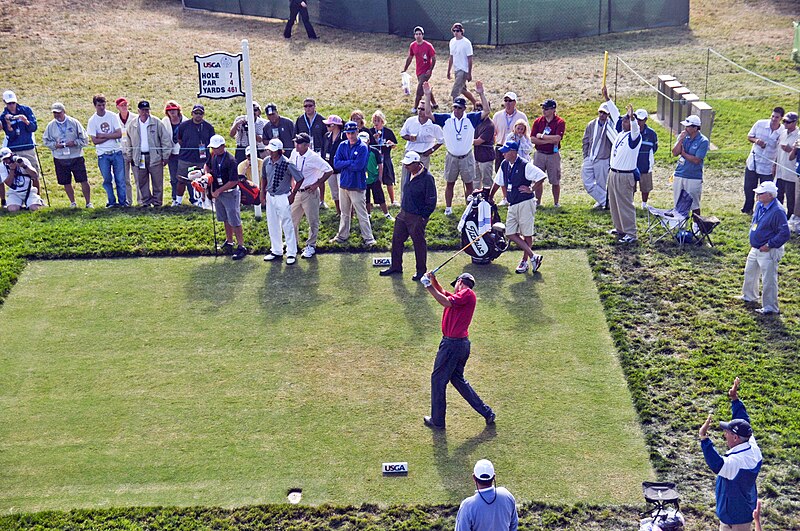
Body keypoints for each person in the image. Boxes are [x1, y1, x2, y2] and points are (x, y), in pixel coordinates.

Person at [419, 271, 495, 429]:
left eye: (456, 285)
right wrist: (433, 280)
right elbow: (442, 293)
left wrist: (427, 286)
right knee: (457, 380)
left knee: (438, 380)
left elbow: (445, 301)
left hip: (452, 345)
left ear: (460, 281)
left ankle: (437, 421)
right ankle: (487, 413)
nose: (454, 289)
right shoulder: (461, 297)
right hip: (458, 345)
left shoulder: (467, 293)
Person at [699, 377, 762, 531]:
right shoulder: (752, 447)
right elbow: (743, 421)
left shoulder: (735, 463)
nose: (724, 435)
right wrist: (735, 399)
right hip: (743, 511)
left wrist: (704, 438)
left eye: (726, 432)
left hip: (735, 520)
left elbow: (716, 464)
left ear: (735, 438)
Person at [424, 80, 490, 215]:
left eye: (459, 108)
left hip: (466, 156)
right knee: (450, 183)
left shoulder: (471, 118)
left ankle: (470, 208)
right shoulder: (446, 118)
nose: (457, 110)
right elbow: (428, 114)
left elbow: (486, 111)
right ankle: (448, 208)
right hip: (451, 157)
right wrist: (427, 95)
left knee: (469, 184)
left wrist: (481, 94)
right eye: (455, 107)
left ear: (464, 108)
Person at [489, 140, 546, 274]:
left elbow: (541, 176)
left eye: (505, 152)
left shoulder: (524, 165)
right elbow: (498, 181)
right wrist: (490, 197)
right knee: (510, 233)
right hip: (513, 204)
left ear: (513, 152)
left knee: (526, 234)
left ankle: (525, 261)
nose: (503, 154)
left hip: (526, 203)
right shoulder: (504, 164)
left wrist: (531, 189)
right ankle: (533, 256)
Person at [380, 151, 436, 280]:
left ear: (417, 163)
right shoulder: (408, 173)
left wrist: (423, 217)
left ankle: (421, 271)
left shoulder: (427, 178)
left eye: (409, 164)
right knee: (396, 240)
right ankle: (396, 267)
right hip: (403, 213)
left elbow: (431, 200)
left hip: (417, 216)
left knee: (418, 243)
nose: (406, 167)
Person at [740, 181, 790, 315]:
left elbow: (785, 233)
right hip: (756, 247)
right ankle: (749, 296)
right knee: (750, 272)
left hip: (768, 250)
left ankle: (770, 307)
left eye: (760, 194)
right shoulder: (760, 205)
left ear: (770, 195)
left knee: (768, 279)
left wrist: (769, 245)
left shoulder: (778, 211)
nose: (757, 195)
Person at [329, 121, 376, 246]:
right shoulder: (342, 145)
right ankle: (342, 235)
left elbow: (359, 166)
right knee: (344, 213)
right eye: (348, 133)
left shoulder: (362, 147)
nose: (350, 135)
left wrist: (345, 163)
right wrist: (350, 162)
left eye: (352, 133)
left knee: (362, 213)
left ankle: (369, 238)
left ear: (357, 132)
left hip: (357, 185)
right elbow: (336, 164)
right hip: (344, 184)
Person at [289, 132, 333, 259]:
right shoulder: (294, 153)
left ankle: (311, 245)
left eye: (298, 143)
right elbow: (291, 169)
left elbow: (329, 170)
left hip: (310, 192)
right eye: (295, 142)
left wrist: (317, 184)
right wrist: (292, 185)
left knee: (312, 221)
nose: (296, 145)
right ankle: (294, 243)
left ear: (306, 145)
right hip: (297, 192)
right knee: (292, 219)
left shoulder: (313, 157)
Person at [261, 138, 305, 264]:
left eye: (273, 150)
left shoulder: (287, 163)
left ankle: (291, 253)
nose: (270, 152)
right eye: (270, 150)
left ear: (280, 151)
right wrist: (262, 193)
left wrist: (293, 194)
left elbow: (300, 178)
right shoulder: (266, 162)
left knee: (287, 224)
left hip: (283, 196)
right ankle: (276, 250)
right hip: (270, 196)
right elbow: (264, 177)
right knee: (272, 223)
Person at [42, 102, 91, 208]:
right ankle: (72, 202)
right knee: (66, 181)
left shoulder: (74, 122)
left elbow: (85, 139)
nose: (57, 115)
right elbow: (45, 141)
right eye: (54, 113)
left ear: (64, 112)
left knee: (83, 180)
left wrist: (75, 143)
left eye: (58, 113)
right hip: (60, 158)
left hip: (76, 156)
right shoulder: (50, 126)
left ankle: (88, 202)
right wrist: (55, 145)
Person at [206, 134, 247, 260]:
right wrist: (206, 175)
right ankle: (229, 241)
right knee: (225, 218)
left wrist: (218, 190)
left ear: (223, 146)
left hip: (230, 193)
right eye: (213, 147)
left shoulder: (230, 160)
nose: (214, 150)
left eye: (217, 147)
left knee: (234, 220)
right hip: (219, 192)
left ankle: (241, 246)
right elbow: (207, 166)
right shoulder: (213, 155)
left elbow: (234, 181)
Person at [125, 100, 172, 207]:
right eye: (143, 110)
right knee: (142, 181)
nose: (145, 112)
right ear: (138, 111)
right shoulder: (133, 124)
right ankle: (145, 202)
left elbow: (165, 140)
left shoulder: (156, 122)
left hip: (155, 157)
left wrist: (165, 156)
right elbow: (128, 142)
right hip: (139, 157)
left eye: (147, 110)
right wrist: (130, 155)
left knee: (157, 182)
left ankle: (157, 202)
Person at [607, 103, 641, 244]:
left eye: (626, 120)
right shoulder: (621, 134)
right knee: (614, 202)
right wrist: (608, 99)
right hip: (614, 172)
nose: (623, 122)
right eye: (623, 120)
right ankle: (620, 228)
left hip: (625, 175)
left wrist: (632, 118)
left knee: (625, 204)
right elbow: (615, 115)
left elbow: (635, 129)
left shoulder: (634, 137)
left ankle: (631, 233)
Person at [455, 459, 518, 531]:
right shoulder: (507, 496)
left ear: (474, 478)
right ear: (494, 477)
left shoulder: (467, 506)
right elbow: (513, 525)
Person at [86, 94, 126, 208]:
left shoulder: (112, 116)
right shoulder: (92, 120)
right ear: (95, 106)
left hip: (116, 151)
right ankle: (111, 201)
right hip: (103, 154)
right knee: (107, 179)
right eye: (99, 105)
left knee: (120, 179)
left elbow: (119, 134)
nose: (102, 107)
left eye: (103, 105)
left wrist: (103, 135)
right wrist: (110, 136)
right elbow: (95, 140)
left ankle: (123, 202)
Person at [742, 107, 783, 215]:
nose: (774, 119)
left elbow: (780, 150)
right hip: (754, 162)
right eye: (772, 116)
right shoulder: (760, 124)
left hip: (768, 165)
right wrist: (756, 141)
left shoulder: (782, 131)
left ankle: (764, 210)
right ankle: (748, 208)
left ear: (781, 119)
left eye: (777, 117)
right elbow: (749, 136)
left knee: (766, 189)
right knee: (749, 187)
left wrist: (775, 166)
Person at [1, 90, 39, 207]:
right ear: (5, 103)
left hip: (27, 147)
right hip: (13, 149)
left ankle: (37, 198)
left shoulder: (26, 110)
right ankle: (14, 199)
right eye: (9, 103)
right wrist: (8, 124)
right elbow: (11, 136)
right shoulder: (3, 116)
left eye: (13, 102)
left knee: (34, 172)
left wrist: (25, 121)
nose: (12, 105)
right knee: (14, 172)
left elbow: (33, 128)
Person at [581, 90, 618, 209]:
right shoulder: (591, 124)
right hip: (590, 157)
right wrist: (585, 155)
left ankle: (601, 202)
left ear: (608, 115)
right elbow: (585, 140)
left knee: (601, 183)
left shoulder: (611, 126)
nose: (602, 115)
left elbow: (614, 142)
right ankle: (605, 201)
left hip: (603, 159)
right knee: (587, 183)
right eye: (600, 112)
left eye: (605, 113)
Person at [176, 103, 215, 206]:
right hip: (185, 158)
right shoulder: (183, 126)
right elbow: (179, 139)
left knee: (202, 181)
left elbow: (212, 142)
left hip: (202, 159)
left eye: (200, 113)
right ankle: (178, 201)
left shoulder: (209, 127)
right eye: (196, 113)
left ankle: (201, 201)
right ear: (191, 113)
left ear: (203, 114)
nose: (198, 115)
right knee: (181, 180)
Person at [399, 106, 444, 192]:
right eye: (419, 108)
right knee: (405, 179)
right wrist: (409, 138)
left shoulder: (434, 125)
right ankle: (404, 202)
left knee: (421, 180)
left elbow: (441, 140)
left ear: (428, 110)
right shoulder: (410, 121)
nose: (420, 111)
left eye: (423, 109)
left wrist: (431, 150)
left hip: (423, 155)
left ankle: (420, 202)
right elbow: (402, 134)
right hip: (410, 152)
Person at [671, 114, 709, 216]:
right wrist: (680, 140)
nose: (685, 128)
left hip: (693, 176)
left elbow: (696, 160)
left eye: (688, 126)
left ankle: (696, 226)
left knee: (694, 205)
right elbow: (674, 152)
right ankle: (679, 224)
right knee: (678, 202)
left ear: (695, 128)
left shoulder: (703, 141)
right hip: (679, 174)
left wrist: (683, 154)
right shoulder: (683, 137)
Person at [530, 98, 565, 207]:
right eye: (543, 108)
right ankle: (538, 201)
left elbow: (557, 138)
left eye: (546, 108)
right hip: (539, 153)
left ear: (553, 109)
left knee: (555, 180)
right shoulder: (538, 121)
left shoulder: (560, 122)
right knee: (538, 179)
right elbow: (532, 139)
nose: (544, 110)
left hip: (553, 154)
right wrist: (548, 140)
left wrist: (542, 137)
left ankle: (556, 202)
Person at [402, 26, 438, 114]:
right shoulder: (413, 45)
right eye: (416, 34)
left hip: (426, 72)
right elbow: (410, 58)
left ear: (422, 35)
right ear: (414, 35)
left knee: (419, 90)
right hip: (419, 71)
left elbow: (434, 58)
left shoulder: (428, 46)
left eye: (420, 34)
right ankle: (434, 103)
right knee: (425, 86)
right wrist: (405, 69)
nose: (418, 36)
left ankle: (415, 107)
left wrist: (430, 69)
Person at [359, 131, 392, 220]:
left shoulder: (374, 151)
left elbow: (380, 165)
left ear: (368, 141)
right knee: (366, 199)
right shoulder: (357, 151)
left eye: (365, 141)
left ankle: (386, 214)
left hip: (374, 178)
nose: (363, 143)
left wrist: (380, 177)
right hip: (363, 179)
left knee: (380, 197)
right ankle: (368, 214)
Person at [368, 110, 399, 206]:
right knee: (375, 180)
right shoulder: (370, 132)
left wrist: (391, 144)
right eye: (374, 121)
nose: (376, 123)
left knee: (389, 180)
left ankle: (393, 200)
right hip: (374, 159)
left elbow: (395, 145)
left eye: (378, 120)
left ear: (382, 121)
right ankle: (377, 201)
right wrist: (374, 139)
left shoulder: (388, 132)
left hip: (386, 158)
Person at [492, 91, 528, 171]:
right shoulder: (497, 115)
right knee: (499, 171)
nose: (508, 103)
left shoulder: (521, 116)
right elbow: (493, 133)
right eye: (506, 100)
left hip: (515, 148)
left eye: (510, 101)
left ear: (515, 102)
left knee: (515, 172)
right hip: (501, 147)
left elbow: (526, 133)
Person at [1, 147, 44, 212]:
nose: (7, 161)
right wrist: (12, 170)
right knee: (13, 209)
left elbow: (35, 175)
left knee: (35, 208)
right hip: (14, 192)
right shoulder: (2, 166)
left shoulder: (23, 160)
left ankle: (35, 202)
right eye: (4, 159)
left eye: (8, 158)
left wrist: (24, 166)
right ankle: (22, 205)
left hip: (29, 190)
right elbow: (8, 183)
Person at [447, 23, 478, 110]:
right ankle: (476, 103)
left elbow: (470, 59)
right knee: (463, 90)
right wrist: (448, 71)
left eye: (458, 31)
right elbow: (451, 57)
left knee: (455, 91)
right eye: (454, 31)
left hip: (463, 70)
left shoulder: (466, 43)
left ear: (462, 31)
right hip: (456, 69)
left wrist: (469, 73)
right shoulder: (452, 42)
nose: (456, 32)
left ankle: (455, 109)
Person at [161, 100, 187, 205]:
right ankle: (175, 198)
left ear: (178, 110)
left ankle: (194, 198)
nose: (172, 112)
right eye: (169, 110)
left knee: (187, 177)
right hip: (171, 154)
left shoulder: (185, 121)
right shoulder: (165, 122)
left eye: (174, 110)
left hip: (184, 154)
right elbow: (163, 138)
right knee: (174, 178)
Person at [632, 108, 658, 208]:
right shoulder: (630, 131)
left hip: (645, 164)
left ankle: (644, 204)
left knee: (645, 187)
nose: (638, 122)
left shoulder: (651, 134)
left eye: (641, 120)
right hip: (632, 164)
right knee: (631, 186)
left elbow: (654, 148)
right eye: (637, 119)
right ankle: (631, 203)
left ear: (646, 120)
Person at [774, 112, 798, 217]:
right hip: (780, 171)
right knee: (778, 196)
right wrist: (774, 165)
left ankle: (790, 218)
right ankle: (777, 217)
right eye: (784, 121)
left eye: (788, 122)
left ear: (795, 122)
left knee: (790, 199)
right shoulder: (783, 133)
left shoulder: (799, 136)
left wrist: (791, 150)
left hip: (790, 173)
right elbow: (777, 151)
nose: (785, 124)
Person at [321, 114, 345, 214]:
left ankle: (346, 213)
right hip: (330, 169)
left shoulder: (343, 136)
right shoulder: (327, 136)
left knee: (343, 192)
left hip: (340, 169)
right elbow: (324, 150)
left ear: (334, 125)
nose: (327, 127)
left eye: (329, 125)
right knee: (334, 192)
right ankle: (338, 212)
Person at [116, 97, 138, 205]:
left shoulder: (135, 118)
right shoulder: (115, 119)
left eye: (125, 105)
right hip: (121, 152)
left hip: (134, 152)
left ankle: (141, 201)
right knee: (125, 179)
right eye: (121, 105)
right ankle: (128, 201)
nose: (124, 107)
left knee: (139, 178)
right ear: (117, 107)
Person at [473, 113, 495, 194]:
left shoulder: (489, 125)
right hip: (476, 155)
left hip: (486, 157)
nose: (478, 111)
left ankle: (488, 198)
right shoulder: (477, 122)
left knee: (487, 180)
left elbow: (478, 142)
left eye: (480, 109)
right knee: (475, 179)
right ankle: (475, 198)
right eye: (477, 109)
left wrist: (464, 140)